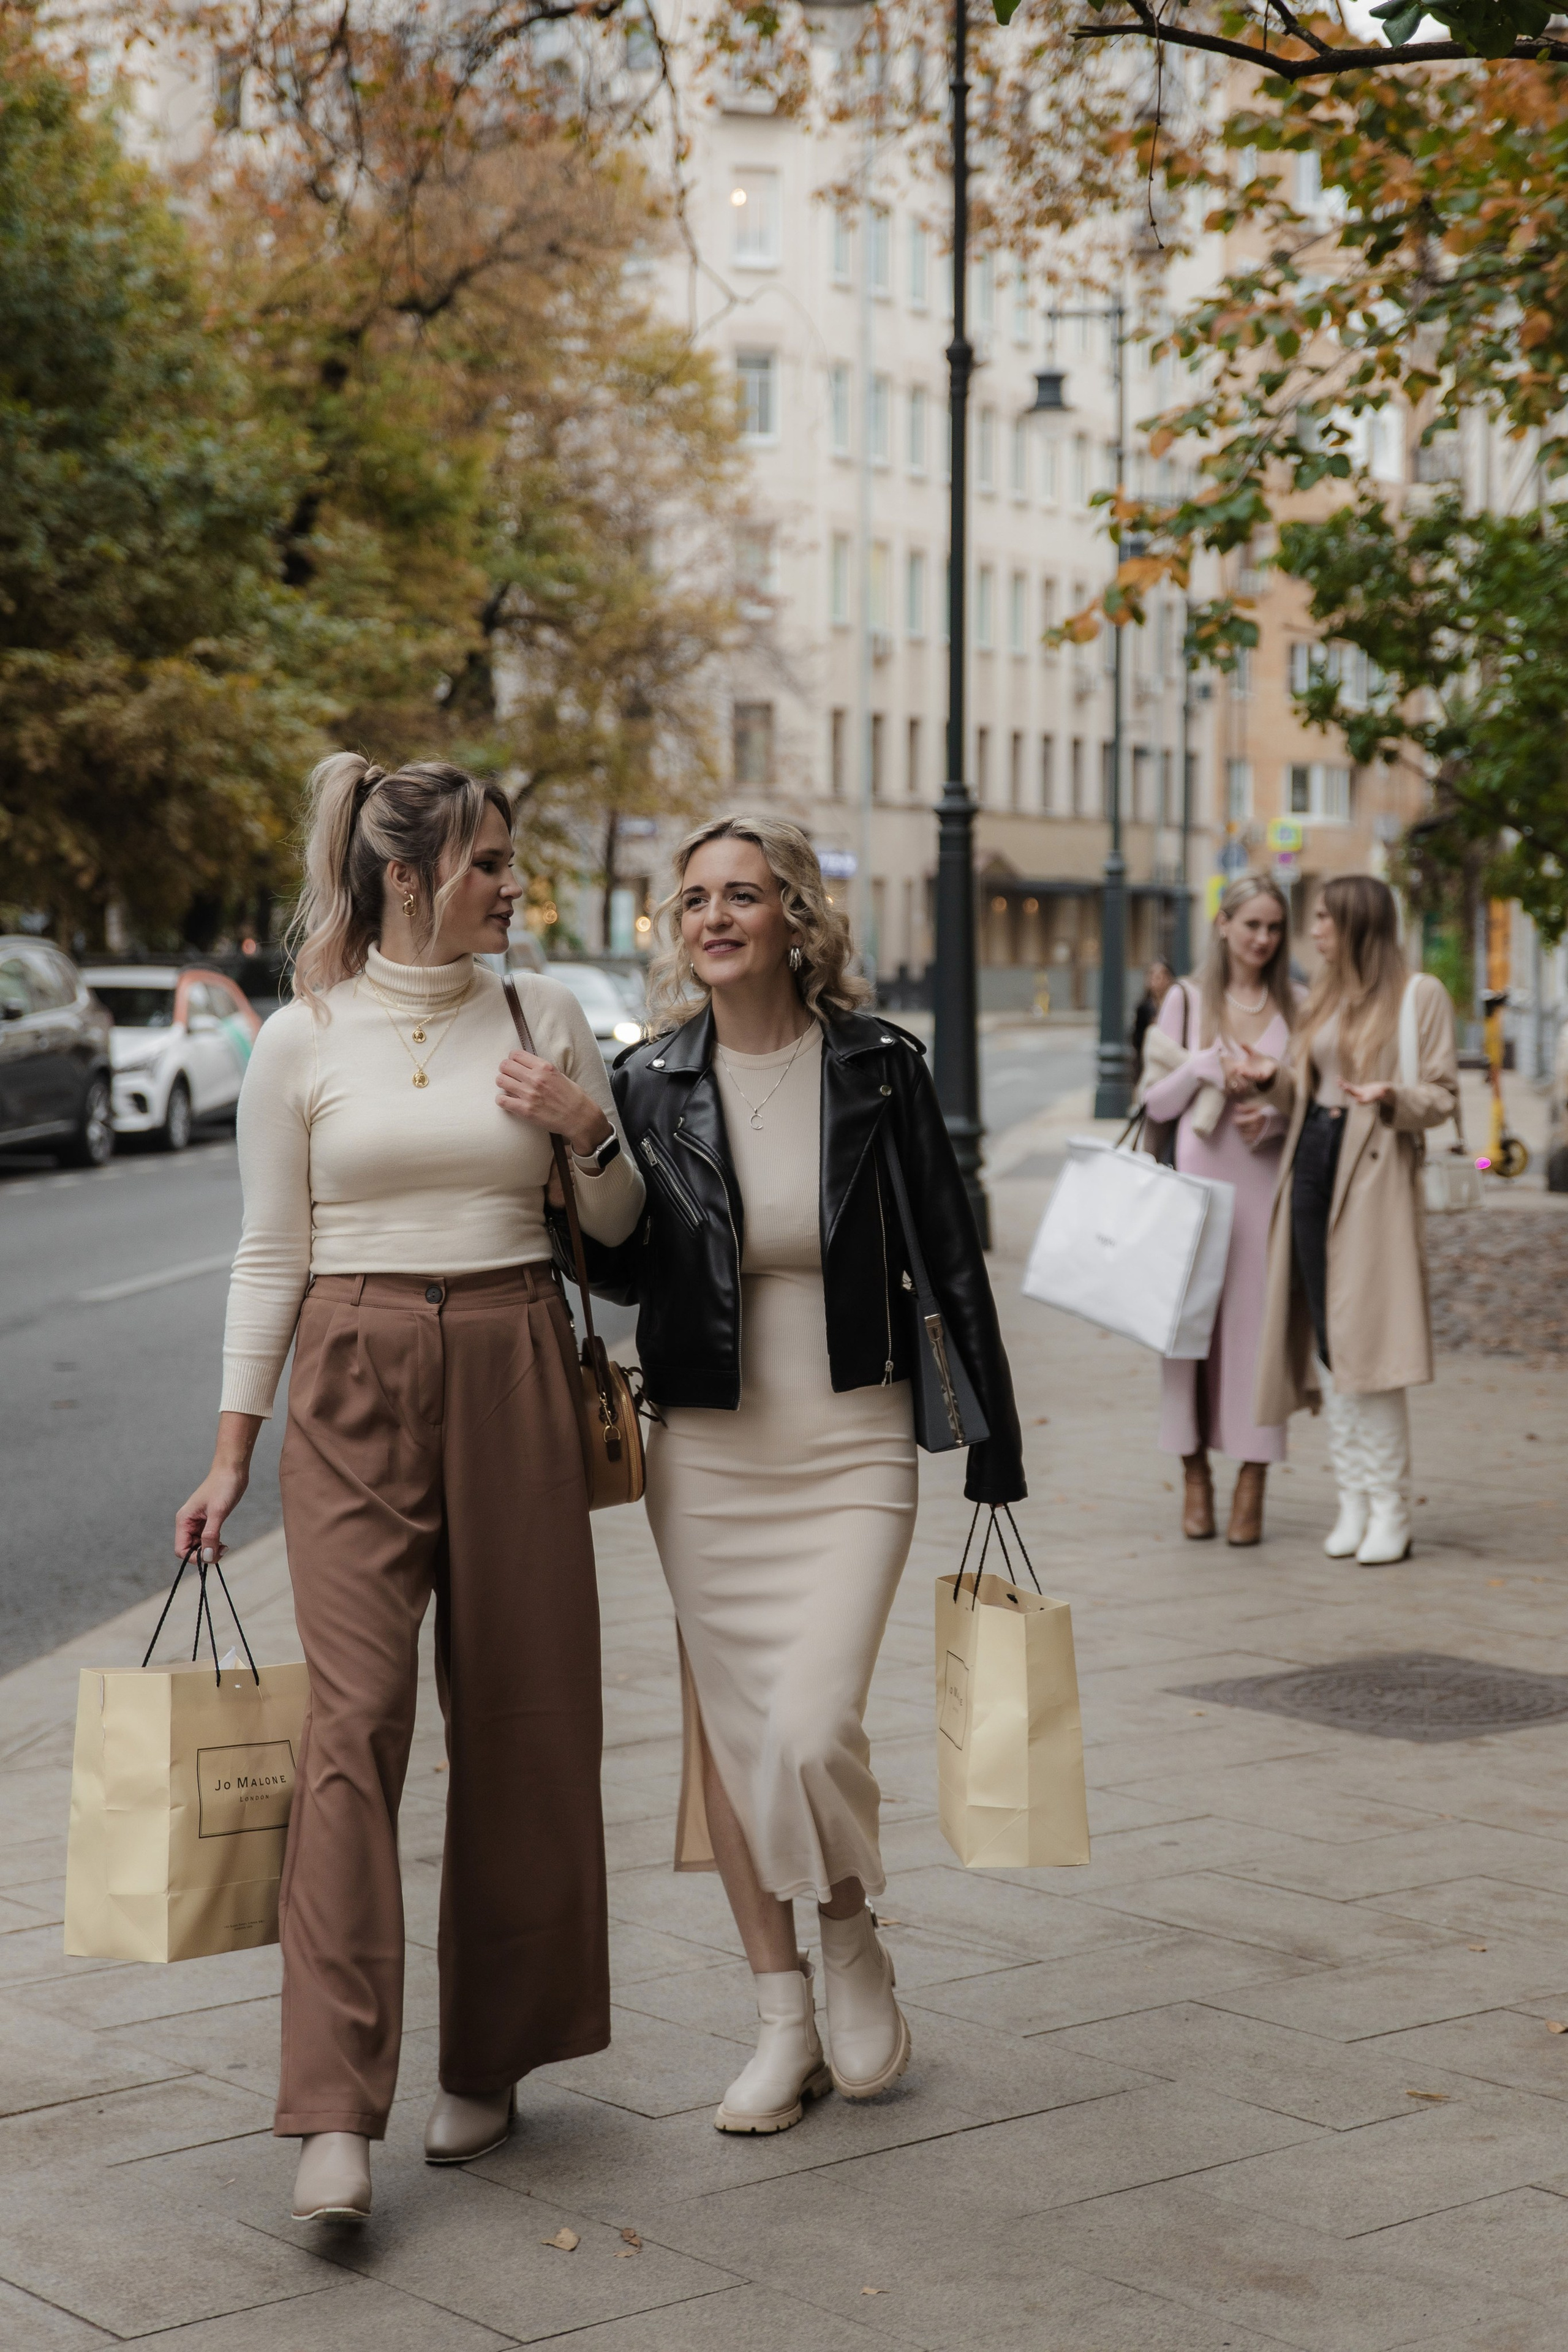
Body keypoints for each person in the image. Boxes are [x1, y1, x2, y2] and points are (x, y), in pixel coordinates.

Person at [174, 755, 644, 2224]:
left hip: (511, 1348)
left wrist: (585, 1125)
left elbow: (619, 1219)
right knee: (351, 1726)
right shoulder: (301, 1040)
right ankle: (332, 2109)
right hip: (353, 1370)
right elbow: (270, 1251)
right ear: (407, 875)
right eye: (491, 864)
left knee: (523, 1715)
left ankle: (494, 2058)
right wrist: (232, 1446)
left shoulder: (543, 1010)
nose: (514, 886)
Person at [590, 815, 1023, 2135]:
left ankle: (847, 1936)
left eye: (743, 895)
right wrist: (589, 1146)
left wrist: (992, 1439)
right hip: (706, 1449)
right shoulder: (648, 1080)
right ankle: (781, 2020)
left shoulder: (878, 1067)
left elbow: (949, 1251)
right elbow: (617, 1272)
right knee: (733, 1746)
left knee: (805, 1725)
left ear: (794, 916)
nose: (713, 917)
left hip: (848, 1438)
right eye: (694, 899)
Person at [1241, 873, 1459, 1566]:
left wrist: (1392, 1094)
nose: (1314, 931)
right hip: (1311, 1164)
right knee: (1332, 1343)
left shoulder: (1417, 995)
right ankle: (1354, 1499)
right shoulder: (1322, 996)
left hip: (1372, 1177)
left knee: (1371, 1346)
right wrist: (1266, 1077)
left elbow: (1443, 1095)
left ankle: (1391, 1506)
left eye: (1326, 919)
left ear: (1359, 924)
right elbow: (1305, 1089)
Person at [1141, 877, 1295, 1546]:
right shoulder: (1185, 1000)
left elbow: (1315, 1102)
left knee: (1259, 1342)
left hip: (1266, 1191)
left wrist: (1279, 1113)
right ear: (1224, 924)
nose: (1263, 939)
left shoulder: (1299, 1003)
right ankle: (1195, 1474)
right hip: (1196, 1197)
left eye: (1274, 928)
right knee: (1188, 1342)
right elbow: (1155, 1104)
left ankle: (1253, 1481)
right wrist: (1205, 1066)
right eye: (1252, 925)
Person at [1131, 956, 1175, 1084]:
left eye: (1160, 976)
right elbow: (1137, 1039)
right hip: (1150, 1062)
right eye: (1152, 976)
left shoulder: (1176, 1003)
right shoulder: (1144, 1008)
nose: (1155, 981)